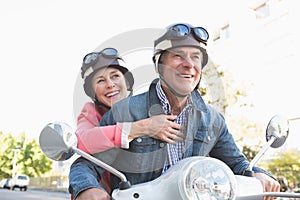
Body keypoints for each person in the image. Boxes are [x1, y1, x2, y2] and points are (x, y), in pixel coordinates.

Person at [99, 23, 280, 199]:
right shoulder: (123, 112)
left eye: (196, 57)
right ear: (159, 65)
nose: (189, 64)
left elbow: (237, 163)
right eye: (178, 56)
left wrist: (258, 174)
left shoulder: (213, 120)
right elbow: (88, 165)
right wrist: (88, 188)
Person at [69, 47, 183, 200]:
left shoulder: (142, 108)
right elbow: (81, 141)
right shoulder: (90, 112)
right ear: (93, 92)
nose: (110, 84)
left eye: (115, 76)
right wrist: (141, 128)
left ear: (127, 83)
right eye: (101, 80)